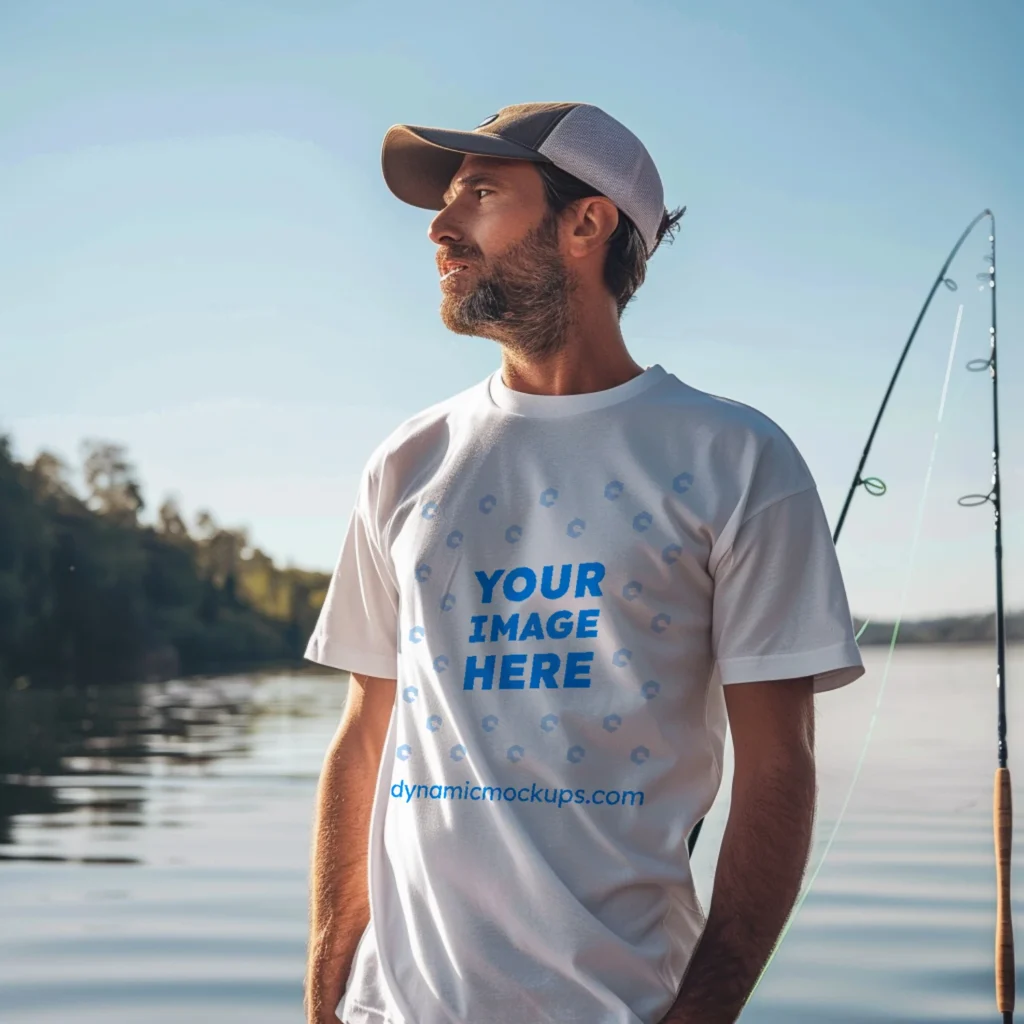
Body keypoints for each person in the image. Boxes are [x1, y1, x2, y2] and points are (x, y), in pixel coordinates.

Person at [303, 101, 865, 1024]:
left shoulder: (736, 459)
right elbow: (367, 734)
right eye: (446, 202)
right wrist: (328, 990)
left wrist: (704, 1011)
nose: (441, 227)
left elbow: (779, 765)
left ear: (586, 222)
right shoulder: (405, 460)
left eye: (480, 194)